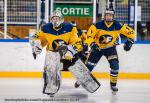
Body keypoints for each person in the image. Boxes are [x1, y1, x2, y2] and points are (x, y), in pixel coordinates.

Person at [30, 10, 100, 96]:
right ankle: (51, 88)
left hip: (66, 50)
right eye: (53, 18)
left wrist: (71, 51)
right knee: (50, 68)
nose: (55, 20)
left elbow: (77, 42)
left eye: (57, 18)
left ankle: (90, 84)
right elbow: (36, 38)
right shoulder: (45, 28)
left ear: (62, 19)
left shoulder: (70, 27)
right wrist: (36, 45)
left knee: (78, 67)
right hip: (52, 52)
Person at [82, 8, 136, 93]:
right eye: (107, 15)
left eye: (110, 15)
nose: (108, 17)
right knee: (89, 67)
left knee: (115, 66)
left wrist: (130, 41)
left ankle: (113, 85)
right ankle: (81, 79)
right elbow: (89, 35)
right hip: (97, 48)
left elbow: (131, 32)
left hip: (110, 48)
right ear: (104, 16)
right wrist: (92, 44)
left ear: (113, 16)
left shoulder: (117, 25)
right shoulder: (97, 25)